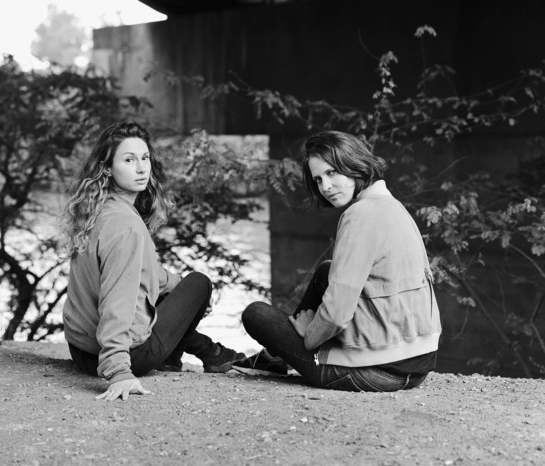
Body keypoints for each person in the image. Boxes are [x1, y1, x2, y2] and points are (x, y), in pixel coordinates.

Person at [235, 130, 441, 392]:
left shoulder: (360, 215)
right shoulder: (394, 207)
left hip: (376, 371)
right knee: (327, 271)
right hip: (417, 364)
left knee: (255, 314)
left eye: (331, 173)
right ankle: (273, 358)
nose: (325, 187)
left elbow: (336, 315)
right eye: (318, 179)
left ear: (353, 164)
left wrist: (309, 332)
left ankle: (278, 354)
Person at [61, 121, 246, 401]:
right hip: (123, 356)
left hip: (81, 352)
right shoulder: (127, 226)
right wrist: (118, 370)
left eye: (144, 158)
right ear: (107, 168)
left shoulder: (98, 210)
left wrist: (177, 288)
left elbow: (142, 272)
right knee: (199, 283)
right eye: (128, 160)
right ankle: (202, 354)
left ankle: (212, 353)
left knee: (179, 289)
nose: (141, 168)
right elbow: (117, 300)